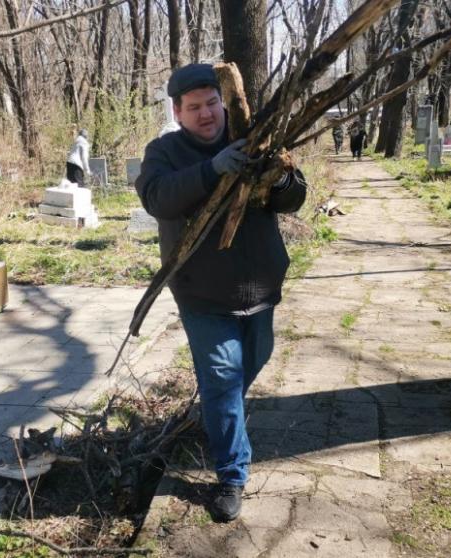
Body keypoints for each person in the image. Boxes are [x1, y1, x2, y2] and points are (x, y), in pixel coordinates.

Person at [135, 63, 307, 522]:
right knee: (224, 378)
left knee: (251, 364)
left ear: (222, 99)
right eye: (194, 108)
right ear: (177, 111)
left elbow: (296, 195)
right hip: (203, 293)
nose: (207, 114)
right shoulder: (165, 152)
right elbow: (157, 198)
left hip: (259, 286)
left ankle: (217, 416)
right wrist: (212, 169)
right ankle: (233, 474)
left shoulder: (254, 135)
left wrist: (280, 178)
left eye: (212, 102)